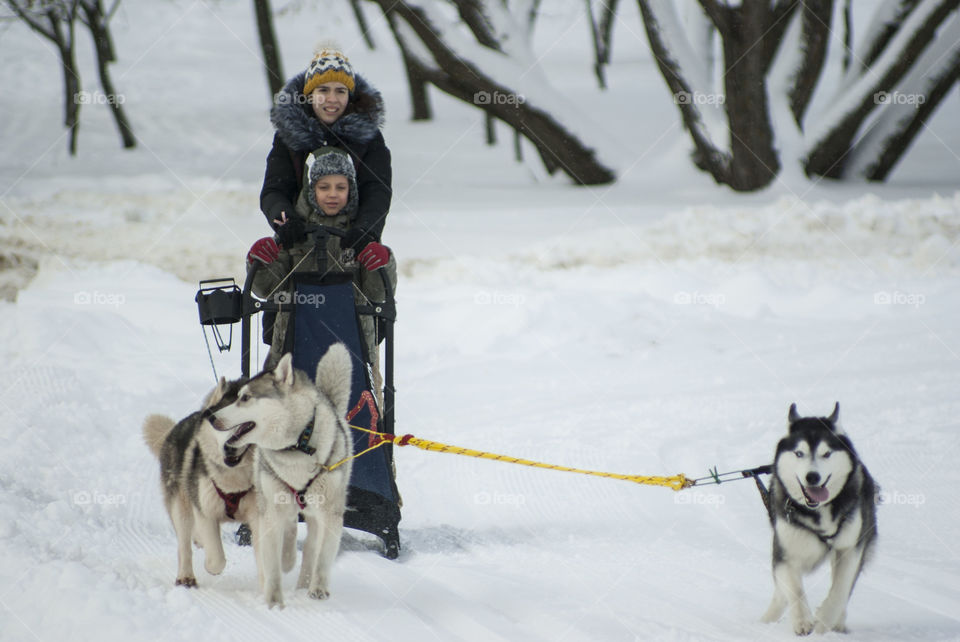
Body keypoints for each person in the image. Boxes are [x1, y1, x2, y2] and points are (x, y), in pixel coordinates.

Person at [246, 146, 396, 370]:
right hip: (292, 342)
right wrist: (260, 262)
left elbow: (377, 292)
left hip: (352, 343)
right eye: (324, 187)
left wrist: (383, 261)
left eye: (340, 187)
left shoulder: (360, 236)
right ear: (311, 189)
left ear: (351, 190)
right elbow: (268, 288)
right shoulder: (293, 233)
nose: (333, 194)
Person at [261, 44, 391, 263]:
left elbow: (377, 190)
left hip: (351, 244)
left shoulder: (369, 138)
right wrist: (285, 219)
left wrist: (366, 230)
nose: (332, 99)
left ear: (349, 96)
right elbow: (274, 189)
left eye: (340, 91)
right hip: (298, 244)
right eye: (323, 90)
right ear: (310, 95)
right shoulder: (289, 136)